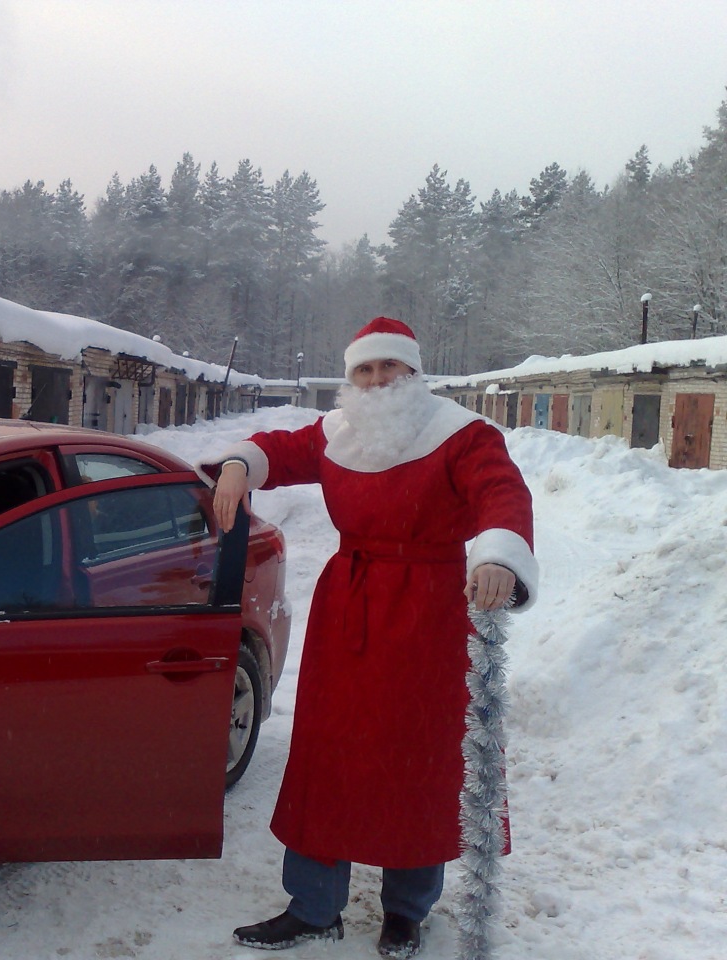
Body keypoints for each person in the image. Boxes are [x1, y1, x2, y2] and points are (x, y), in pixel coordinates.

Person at [201, 317, 537, 959]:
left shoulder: (462, 434)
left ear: (413, 371)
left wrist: (497, 555)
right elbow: (277, 448)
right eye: (365, 369)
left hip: (430, 616)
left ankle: (406, 912)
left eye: (390, 366)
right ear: (351, 377)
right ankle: (313, 907)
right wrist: (240, 465)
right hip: (348, 610)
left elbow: (503, 494)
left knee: (418, 759)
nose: (378, 379)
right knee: (329, 755)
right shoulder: (336, 432)